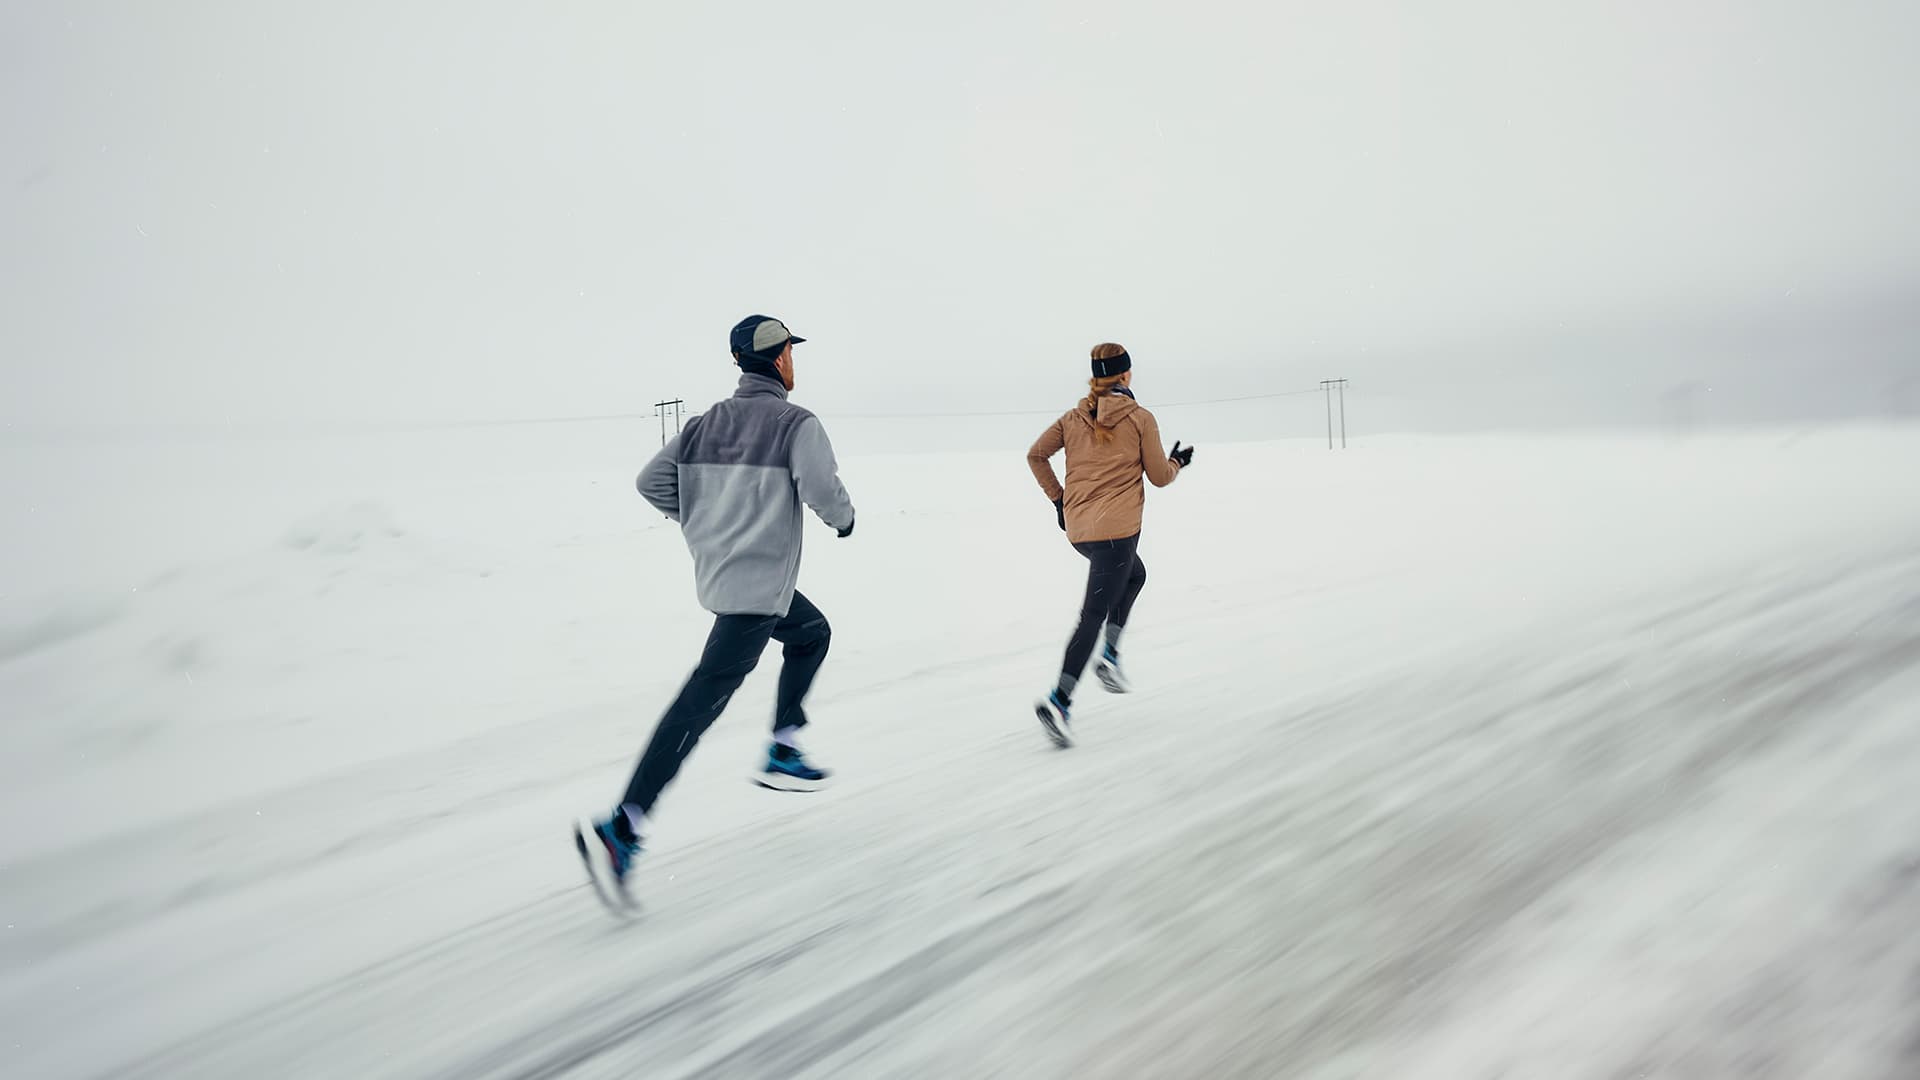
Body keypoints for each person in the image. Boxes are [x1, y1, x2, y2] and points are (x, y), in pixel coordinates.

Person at [576, 314, 856, 904]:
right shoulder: (795, 422)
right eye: (791, 351)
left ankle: (784, 742)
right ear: (778, 358)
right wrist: (844, 519)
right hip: (757, 594)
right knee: (699, 703)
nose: (794, 361)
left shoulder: (703, 425)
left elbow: (651, 482)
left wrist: (706, 521)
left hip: (737, 582)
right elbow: (821, 488)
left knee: (811, 632)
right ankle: (624, 823)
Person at [1026, 342, 1193, 746]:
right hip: (1116, 534)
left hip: (1081, 532)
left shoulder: (1072, 418)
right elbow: (1159, 477)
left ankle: (1110, 657)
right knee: (1092, 615)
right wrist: (1177, 463)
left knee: (1135, 575)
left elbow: (1036, 456)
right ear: (1126, 374)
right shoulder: (1139, 418)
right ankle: (1060, 701)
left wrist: (1060, 501)